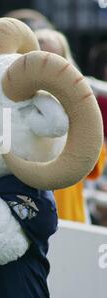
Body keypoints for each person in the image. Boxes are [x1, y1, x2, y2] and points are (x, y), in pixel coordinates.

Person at [36, 29, 106, 224]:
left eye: (54, 59)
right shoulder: (9, 104)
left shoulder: (79, 108)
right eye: (38, 56)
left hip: (68, 217)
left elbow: (93, 167)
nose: (45, 66)